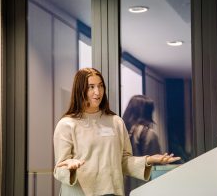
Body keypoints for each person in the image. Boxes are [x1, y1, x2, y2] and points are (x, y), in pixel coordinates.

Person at [53, 68, 180, 196]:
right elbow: (59, 169)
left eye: (100, 86)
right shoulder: (67, 124)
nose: (97, 92)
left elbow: (124, 161)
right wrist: (69, 167)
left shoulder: (116, 122)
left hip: (113, 192)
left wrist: (149, 160)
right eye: (91, 87)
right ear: (79, 90)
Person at [122, 95, 161, 195]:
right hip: (143, 187)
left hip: (123, 187)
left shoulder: (121, 132)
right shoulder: (149, 134)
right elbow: (156, 166)